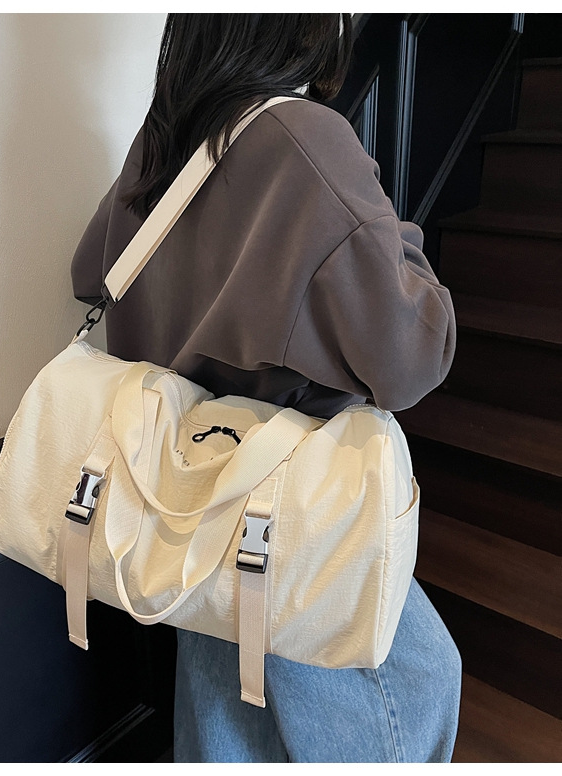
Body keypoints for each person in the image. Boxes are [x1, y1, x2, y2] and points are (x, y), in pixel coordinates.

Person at [70, 13, 462, 763]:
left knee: (225, 718)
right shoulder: (306, 139)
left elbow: (93, 274)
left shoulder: (163, 142)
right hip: (292, 507)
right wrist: (390, 233)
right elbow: (416, 354)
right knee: (414, 687)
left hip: (184, 496)